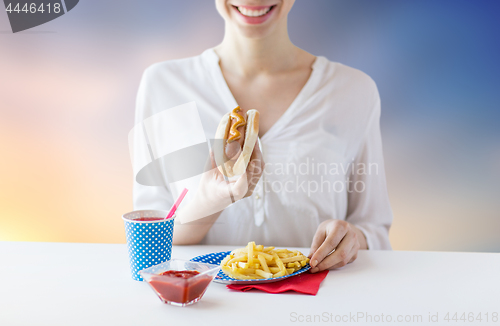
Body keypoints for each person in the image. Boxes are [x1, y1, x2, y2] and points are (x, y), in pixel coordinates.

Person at [133, 0, 393, 273]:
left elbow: (374, 230)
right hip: (205, 308)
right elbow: (149, 241)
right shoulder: (162, 85)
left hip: (317, 305)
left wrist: (351, 238)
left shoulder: (353, 90)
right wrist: (212, 200)